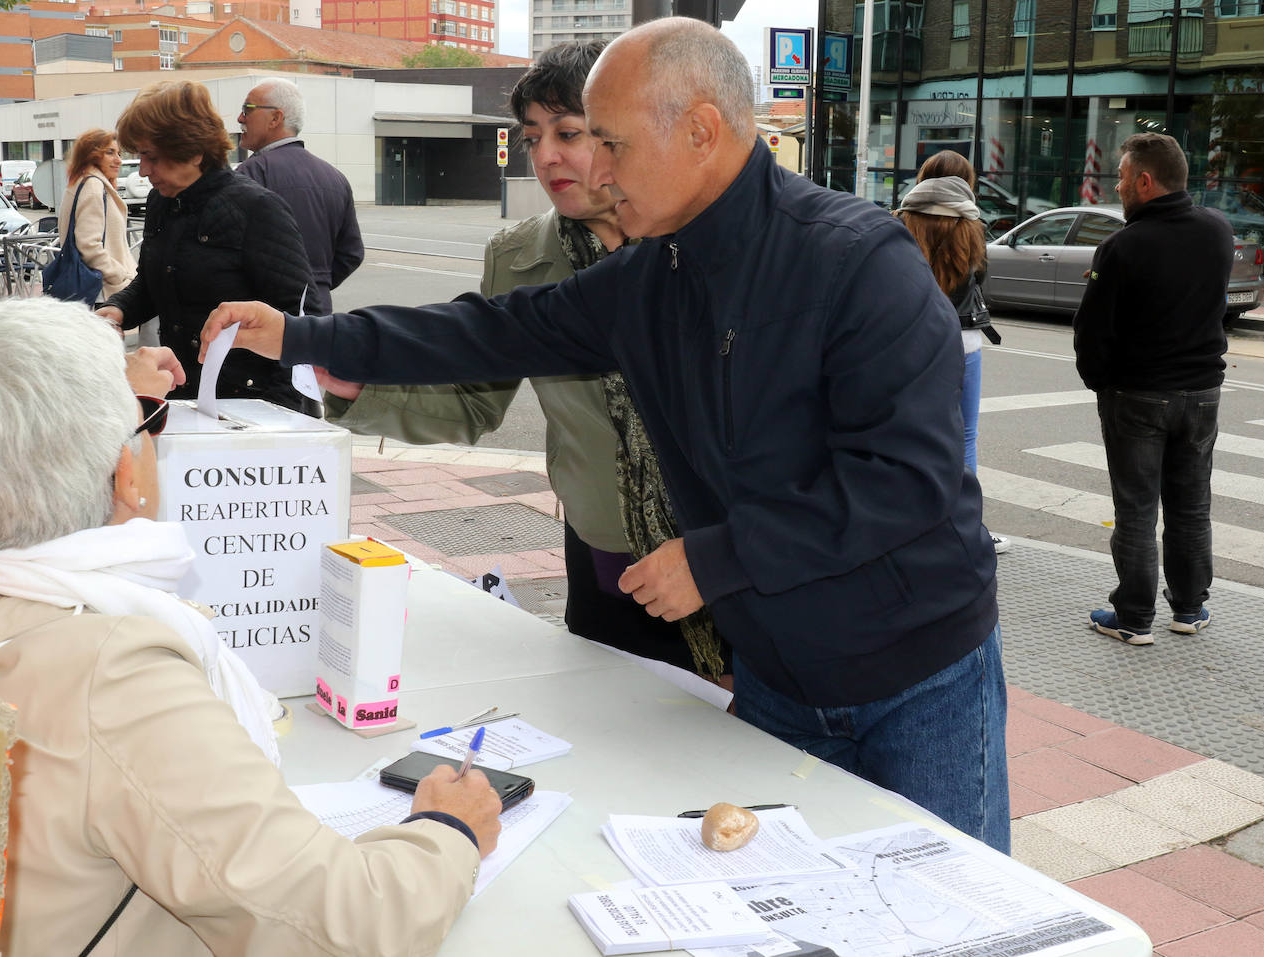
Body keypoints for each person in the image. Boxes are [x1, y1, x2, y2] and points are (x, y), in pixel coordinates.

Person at [202, 18, 1007, 850]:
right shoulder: (652, 274)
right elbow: (488, 331)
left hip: (916, 678)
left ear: (701, 130)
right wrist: (302, 338)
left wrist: (716, 557)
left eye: (611, 143)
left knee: (965, 913)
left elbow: (904, 480)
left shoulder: (857, 260)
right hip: (777, 677)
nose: (596, 168)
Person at [0, 297, 501, 957]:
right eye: (147, 422)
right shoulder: (107, 675)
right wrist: (447, 829)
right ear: (127, 475)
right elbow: (344, 923)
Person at [323, 41, 724, 677]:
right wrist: (360, 389)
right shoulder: (520, 256)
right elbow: (473, 402)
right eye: (531, 135)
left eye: (569, 133)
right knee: (612, 723)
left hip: (726, 554)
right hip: (604, 552)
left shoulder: (704, 238)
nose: (544, 157)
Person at [1074, 132, 1230, 646]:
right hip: (1202, 392)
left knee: (1137, 509)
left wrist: (1102, 384)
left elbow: (1092, 330)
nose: (1117, 186)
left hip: (1138, 395)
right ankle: (1190, 607)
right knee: (1191, 505)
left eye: (1120, 177)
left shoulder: (1122, 246)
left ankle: (1134, 617)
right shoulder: (1217, 231)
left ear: (1145, 181)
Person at [97, 80, 318, 414]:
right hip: (188, 396)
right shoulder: (162, 200)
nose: (142, 171)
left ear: (194, 151)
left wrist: (279, 418)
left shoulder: (256, 208)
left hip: (253, 408)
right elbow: (153, 279)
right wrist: (119, 309)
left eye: (151, 157)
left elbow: (302, 317)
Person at [896, 151, 1010, 555]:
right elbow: (978, 278)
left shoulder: (903, 221)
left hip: (912, 338)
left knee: (908, 432)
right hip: (964, 343)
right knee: (963, 438)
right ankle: (966, 529)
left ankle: (911, 525)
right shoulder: (970, 226)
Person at [235, 77, 364, 315]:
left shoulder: (250, 173)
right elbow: (351, 254)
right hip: (319, 317)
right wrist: (316, 284)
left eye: (247, 110)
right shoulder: (335, 178)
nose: (240, 118)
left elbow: (231, 250)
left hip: (264, 319)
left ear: (276, 118)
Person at [55, 128, 138, 301]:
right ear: (92, 154)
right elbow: (88, 246)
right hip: (102, 291)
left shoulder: (82, 181)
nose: (118, 161)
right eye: (110, 153)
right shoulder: (93, 187)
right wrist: (119, 274)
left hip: (97, 287)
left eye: (119, 154)